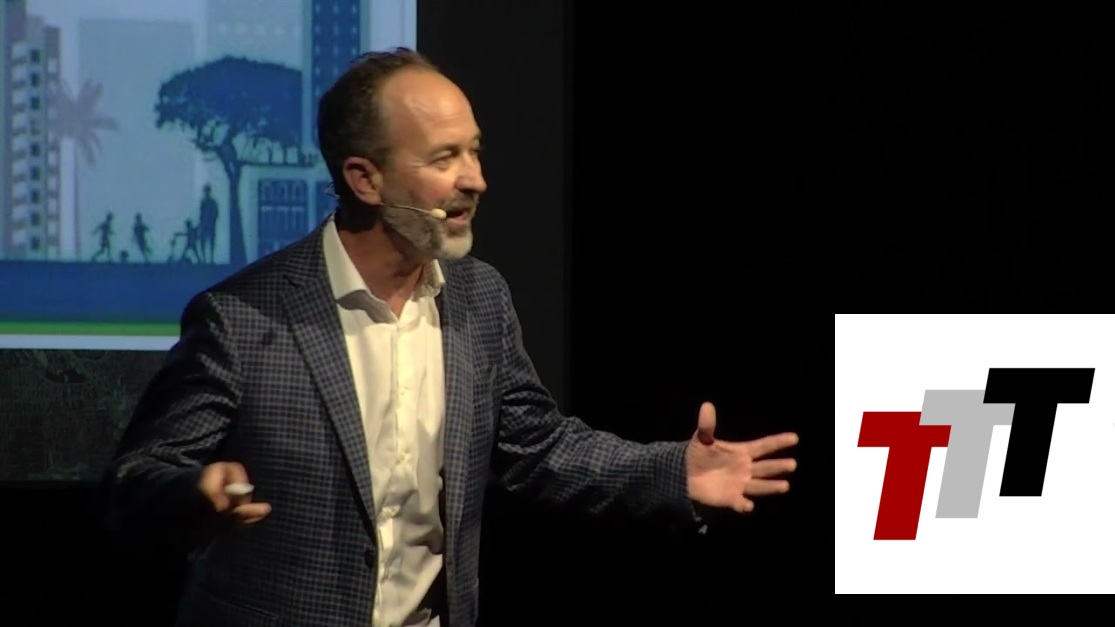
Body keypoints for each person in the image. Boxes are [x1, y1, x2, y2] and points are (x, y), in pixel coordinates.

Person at [103, 47, 799, 627]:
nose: (477, 179)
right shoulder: (244, 316)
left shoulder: (479, 298)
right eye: (444, 159)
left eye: (474, 152)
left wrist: (672, 472)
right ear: (365, 178)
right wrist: (193, 494)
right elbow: (136, 481)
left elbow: (539, 447)